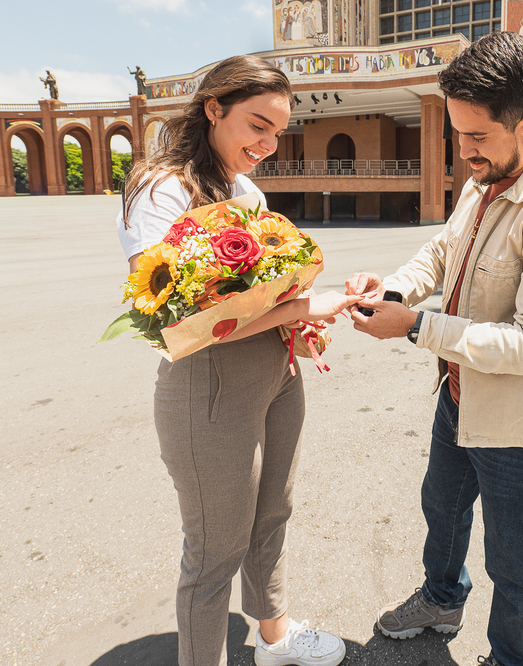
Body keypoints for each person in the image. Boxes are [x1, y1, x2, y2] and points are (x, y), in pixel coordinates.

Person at [346, 32, 523, 666]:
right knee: (442, 507)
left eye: (477, 136)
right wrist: (394, 289)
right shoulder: (485, 174)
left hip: (518, 423)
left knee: (516, 559)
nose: (463, 150)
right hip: (460, 395)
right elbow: (444, 249)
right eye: (457, 133)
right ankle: (442, 599)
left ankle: (515, 659)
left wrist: (416, 326)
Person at [117, 55, 361, 666]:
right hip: (208, 385)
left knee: (272, 513)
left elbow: (263, 293)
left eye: (277, 132)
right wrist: (302, 304)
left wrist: (299, 323)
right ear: (213, 108)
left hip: (276, 373)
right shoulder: (162, 190)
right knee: (214, 549)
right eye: (257, 125)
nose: (268, 144)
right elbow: (177, 318)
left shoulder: (246, 191)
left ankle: (274, 638)